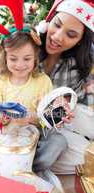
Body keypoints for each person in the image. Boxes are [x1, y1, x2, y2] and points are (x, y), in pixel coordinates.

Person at [0, 24, 69, 181]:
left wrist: (31, 118)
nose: (20, 64)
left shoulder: (43, 81)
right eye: (13, 58)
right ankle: (2, 174)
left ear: (36, 57)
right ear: (5, 56)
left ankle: (23, 169)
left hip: (35, 134)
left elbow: (46, 118)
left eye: (27, 58)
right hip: (6, 135)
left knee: (59, 142)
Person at [32, 0, 94, 177]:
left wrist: (62, 109)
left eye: (71, 34)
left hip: (52, 123)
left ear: (80, 40)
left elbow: (71, 105)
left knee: (86, 156)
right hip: (21, 117)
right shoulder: (27, 44)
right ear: (48, 20)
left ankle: (35, 157)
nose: (58, 37)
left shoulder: (75, 64)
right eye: (57, 25)